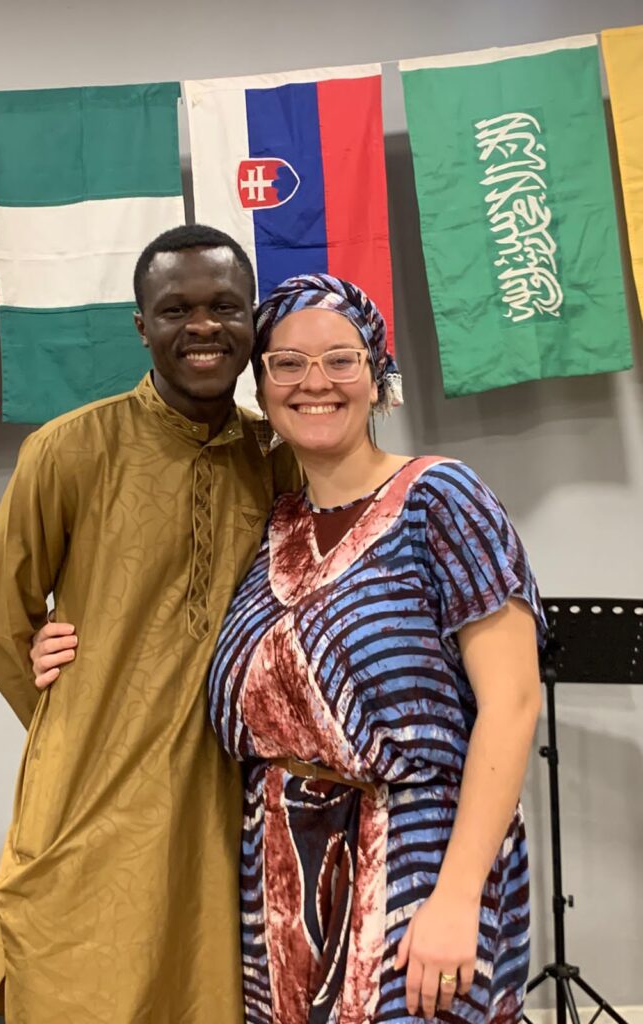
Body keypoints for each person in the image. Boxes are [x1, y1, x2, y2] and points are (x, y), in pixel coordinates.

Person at [0, 224, 297, 1024]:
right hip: (94, 789)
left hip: (224, 798)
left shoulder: (279, 457)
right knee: (84, 987)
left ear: (253, 321)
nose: (203, 326)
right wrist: (75, 712)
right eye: (176, 309)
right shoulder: (69, 450)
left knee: (208, 987)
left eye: (225, 306)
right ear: (142, 325)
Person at [206, 274, 546, 1024]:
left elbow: (514, 703)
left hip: (420, 862)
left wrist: (457, 896)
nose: (314, 382)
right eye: (287, 363)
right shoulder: (271, 525)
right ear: (261, 385)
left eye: (340, 359)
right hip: (280, 880)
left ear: (376, 374)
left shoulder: (441, 498)